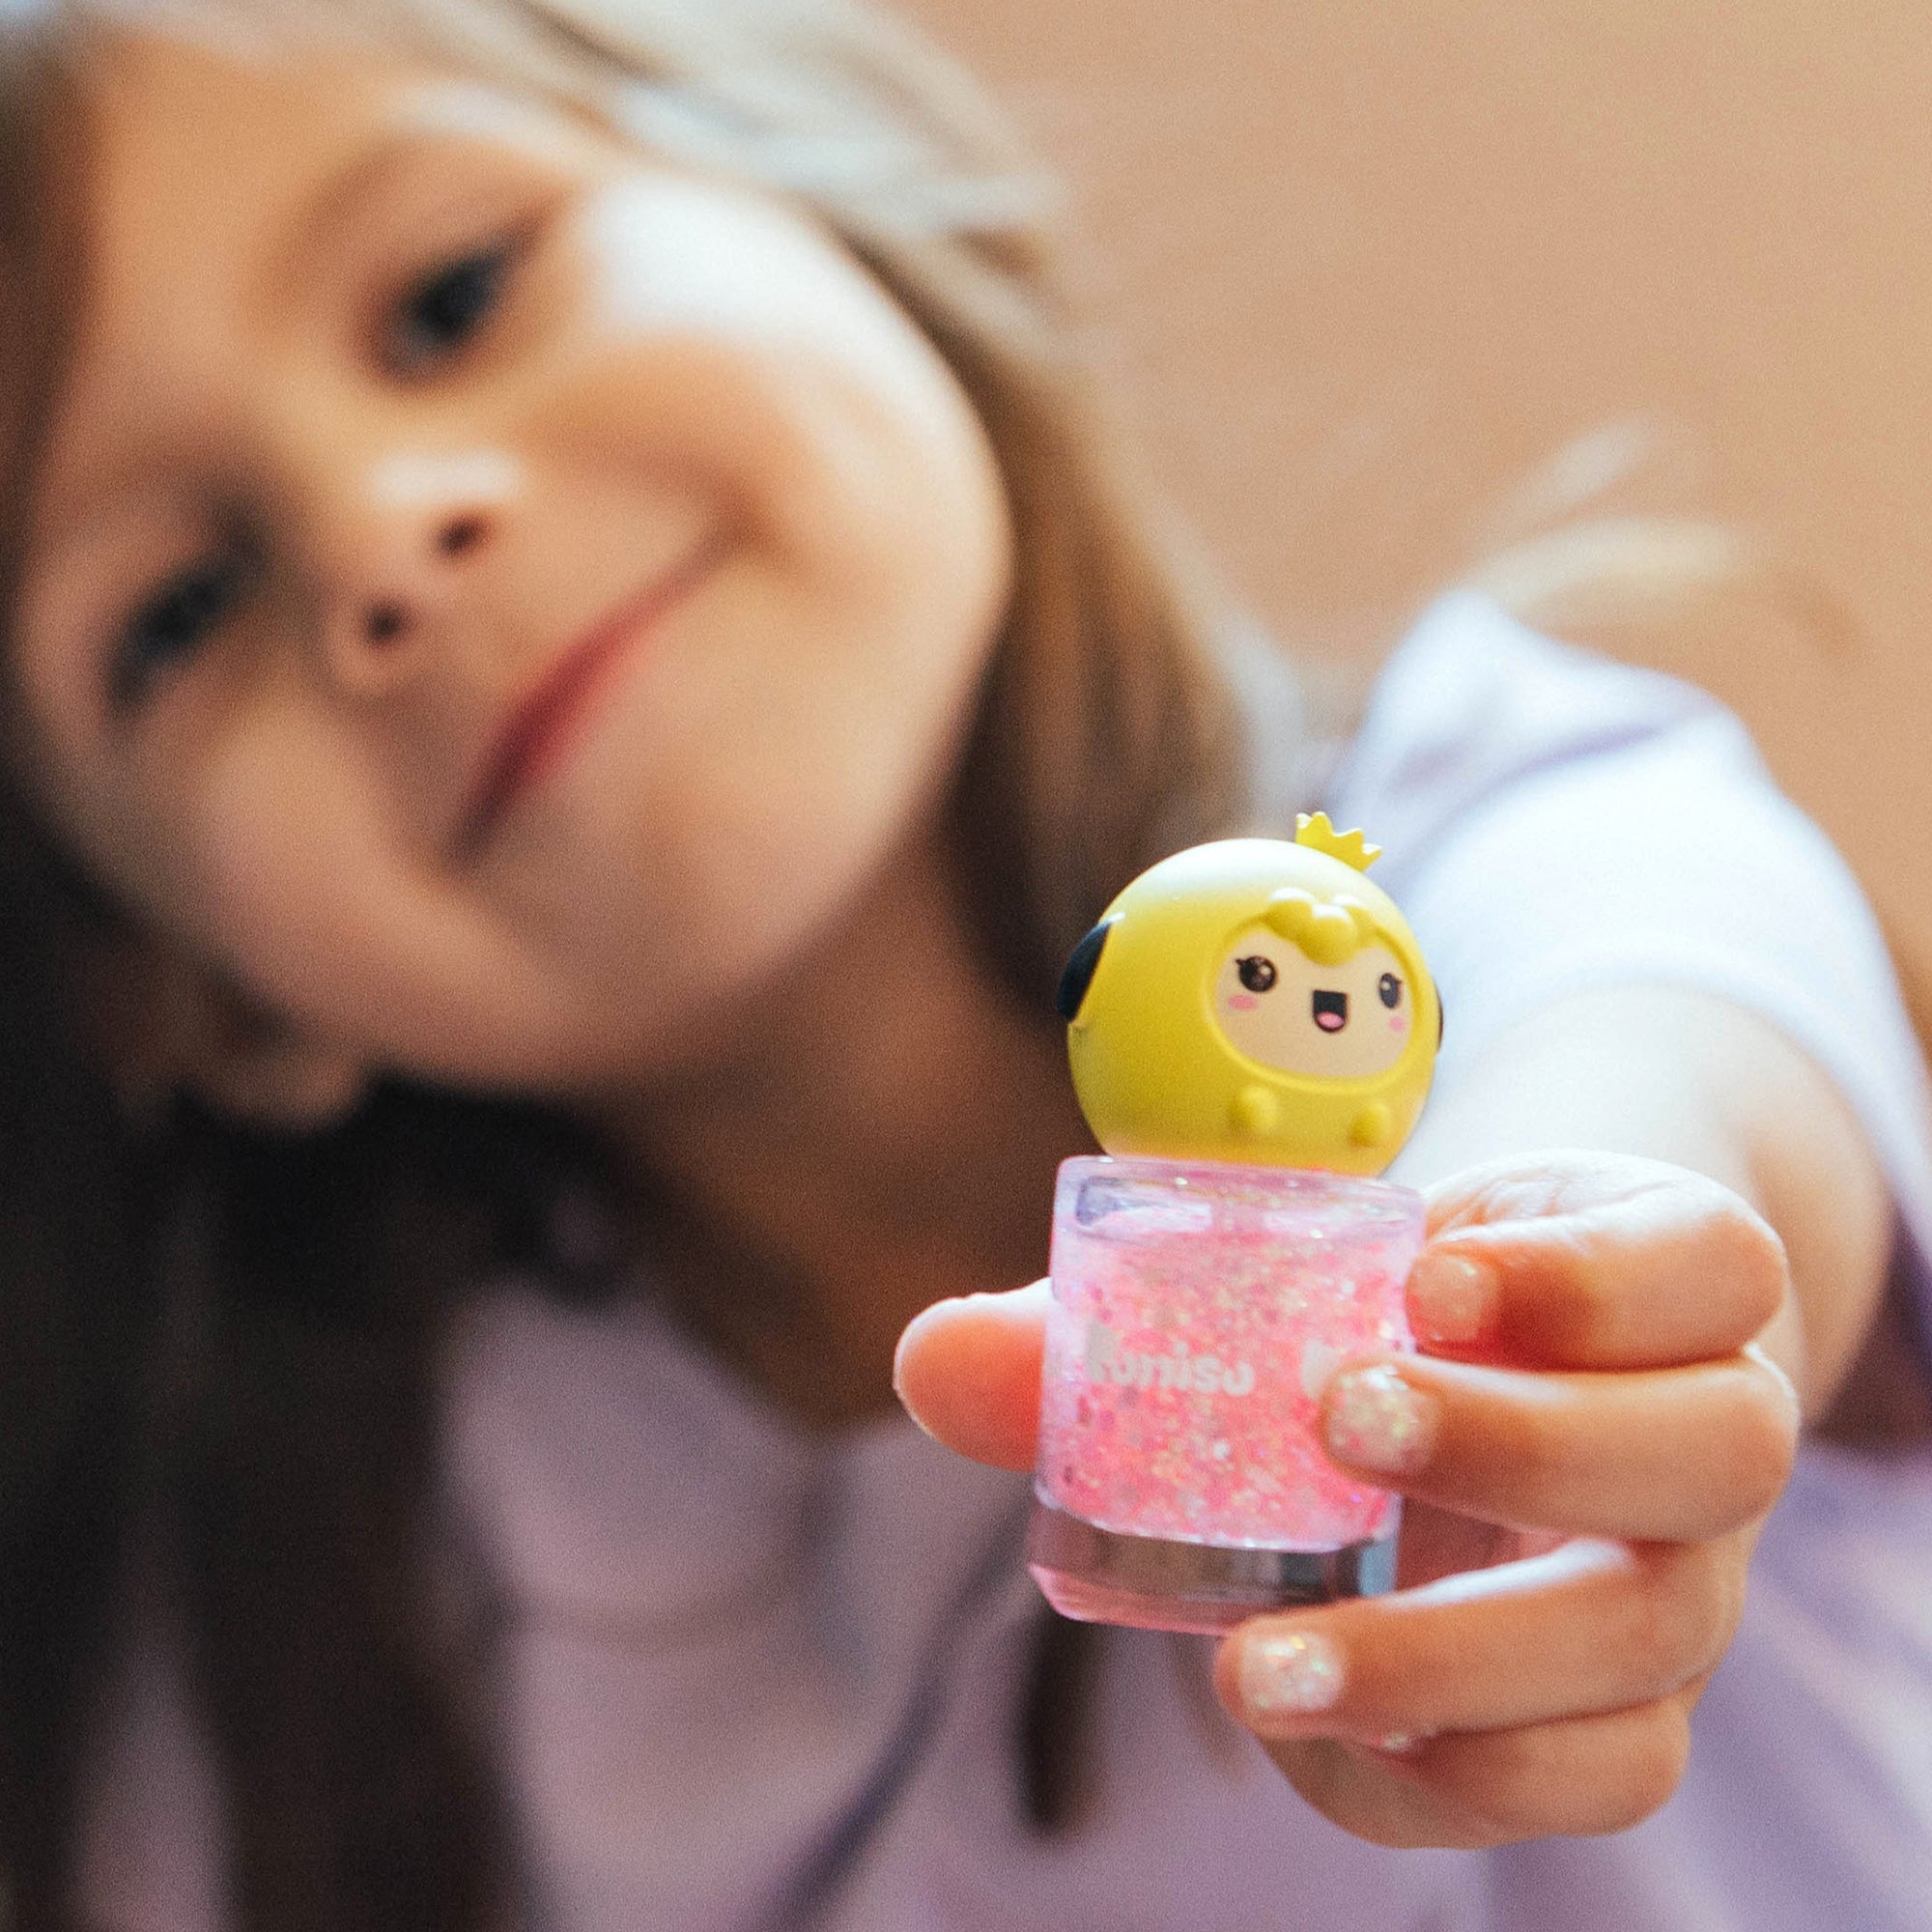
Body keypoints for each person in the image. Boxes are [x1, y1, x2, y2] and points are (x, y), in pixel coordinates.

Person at [0, 1, 1927, 1927]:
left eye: (450, 297)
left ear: (836, 204)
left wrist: (1544, 1355)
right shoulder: (282, 1645)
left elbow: (1664, 1081)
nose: (379, 534)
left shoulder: (1512, 828)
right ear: (194, 995)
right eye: (175, 615)